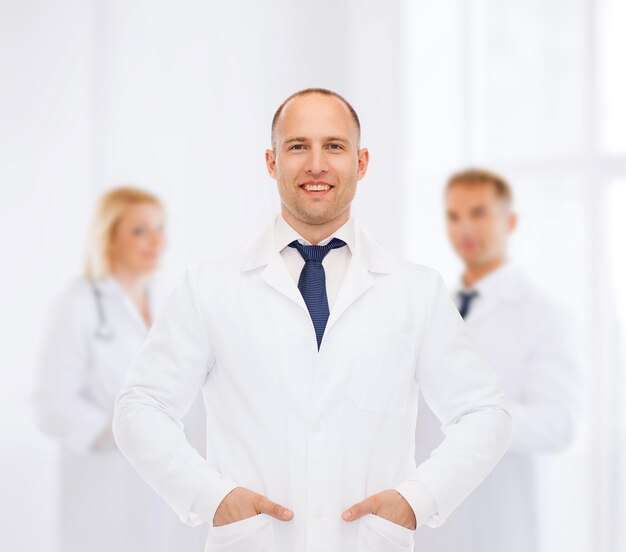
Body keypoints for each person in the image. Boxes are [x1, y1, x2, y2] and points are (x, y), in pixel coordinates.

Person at [113, 89, 513, 552]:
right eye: (298, 146)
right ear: (272, 162)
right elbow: (140, 406)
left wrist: (418, 499)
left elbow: (484, 413)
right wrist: (210, 497)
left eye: (335, 147)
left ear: (361, 163)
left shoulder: (415, 290)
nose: (317, 165)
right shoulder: (209, 286)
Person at [414, 169, 580, 552]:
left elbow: (560, 423)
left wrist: (482, 419)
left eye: (478, 213)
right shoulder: (436, 307)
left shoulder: (545, 315)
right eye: (454, 217)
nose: (465, 228)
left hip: (501, 521)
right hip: (432, 519)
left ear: (511, 221)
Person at [34, 187, 207, 552]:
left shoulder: (168, 302)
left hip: (162, 484)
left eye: (160, 228)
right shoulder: (76, 304)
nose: (156, 241)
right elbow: (51, 405)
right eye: (140, 231)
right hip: (102, 481)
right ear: (109, 237)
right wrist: (124, 433)